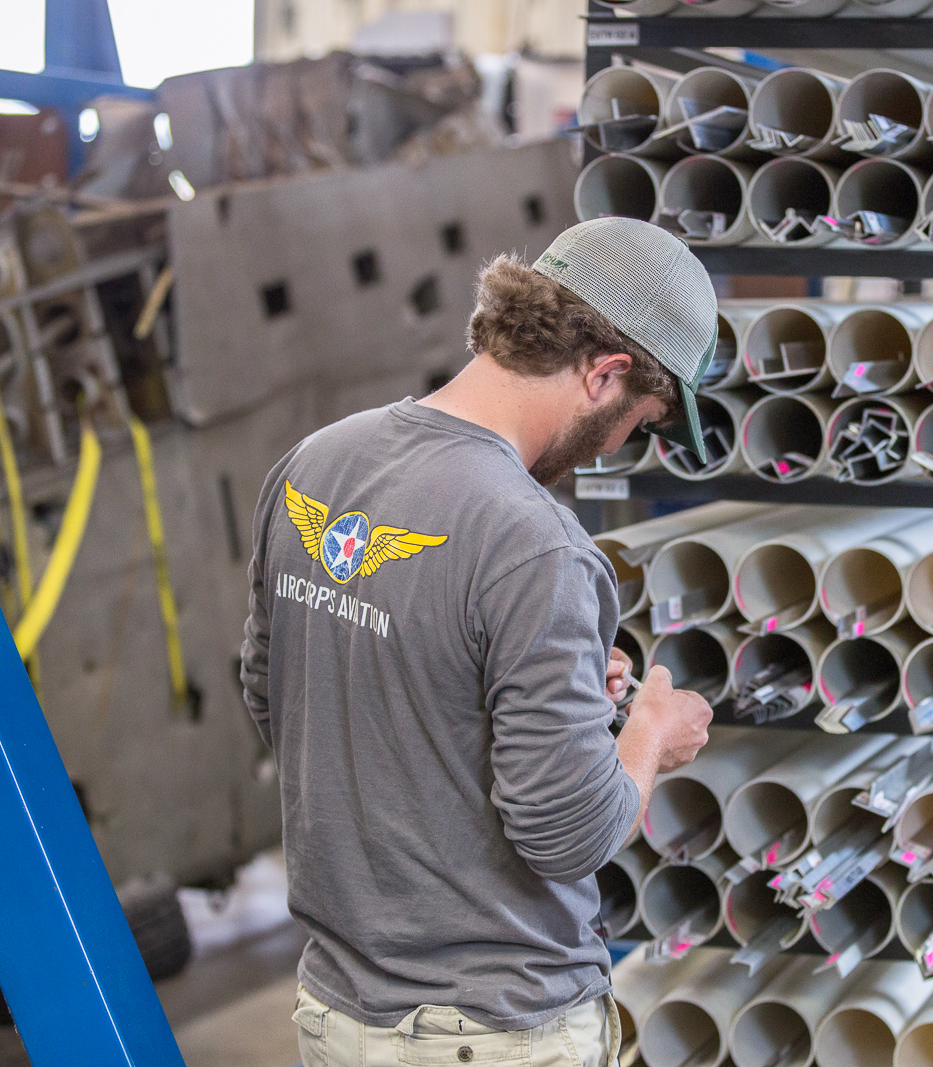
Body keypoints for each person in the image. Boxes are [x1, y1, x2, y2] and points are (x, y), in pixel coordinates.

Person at [240, 217, 719, 1067]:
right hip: (491, 1030)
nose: (618, 445)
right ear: (604, 372)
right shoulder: (536, 543)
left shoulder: (317, 463)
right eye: (636, 421)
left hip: (337, 1014)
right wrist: (650, 730)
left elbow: (275, 696)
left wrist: (535, 686)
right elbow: (568, 834)